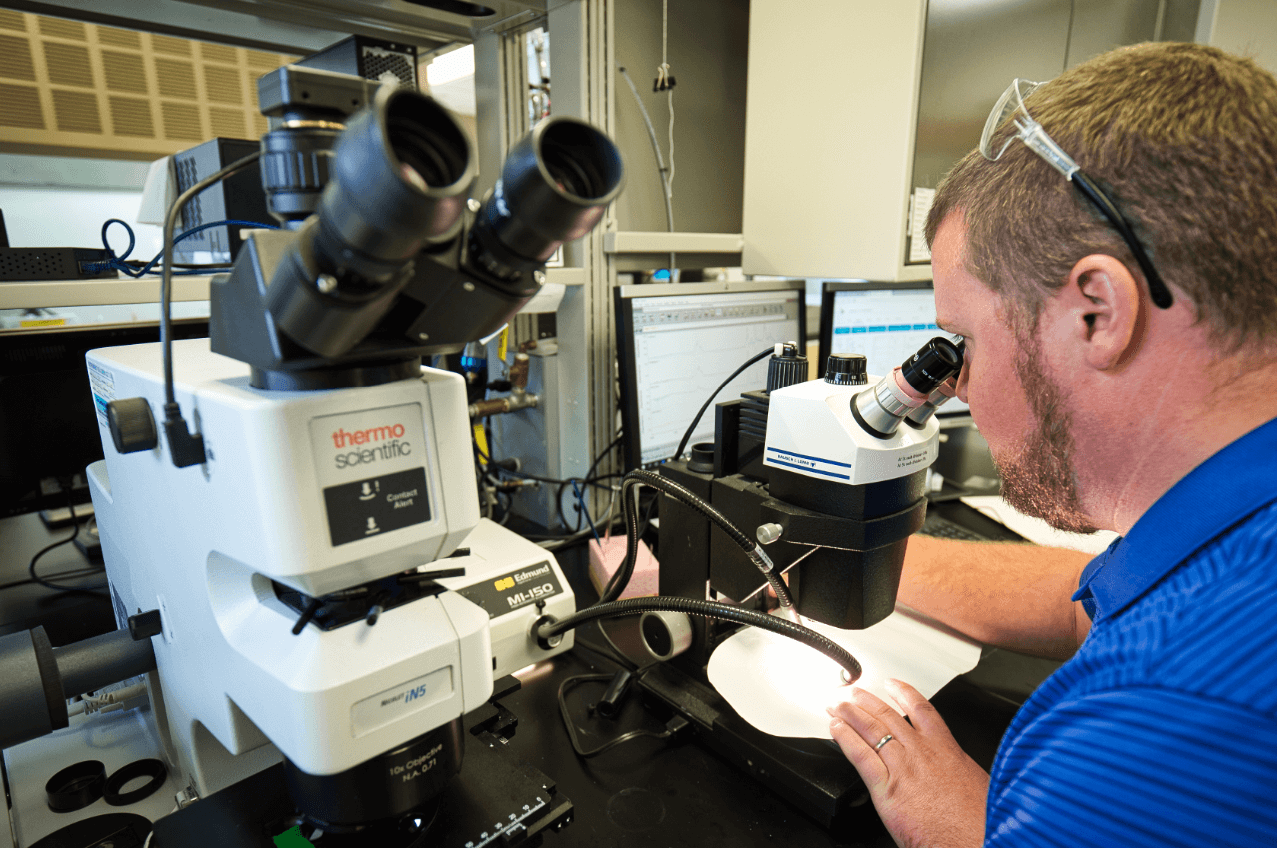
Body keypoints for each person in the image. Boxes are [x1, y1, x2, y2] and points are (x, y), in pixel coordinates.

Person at [827, 41, 1277, 848]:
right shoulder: (1228, 535)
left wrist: (971, 825)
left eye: (962, 341)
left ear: (1096, 313)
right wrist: (827, 556)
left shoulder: (1147, 721)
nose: (955, 384)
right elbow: (1094, 600)